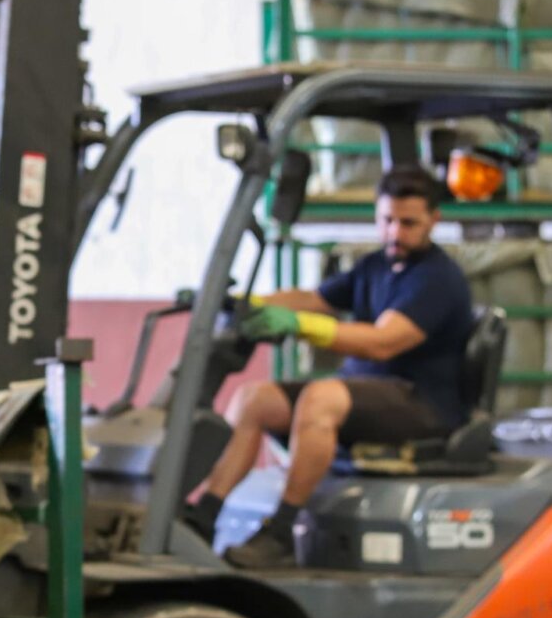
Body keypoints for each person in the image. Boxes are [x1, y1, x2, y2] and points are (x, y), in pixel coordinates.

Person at [181, 163, 474, 569]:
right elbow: (314, 299)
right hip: (368, 395)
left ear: (433, 220)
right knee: (255, 399)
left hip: (421, 403)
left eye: (408, 223)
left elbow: (384, 343)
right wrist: (246, 304)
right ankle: (204, 515)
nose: (395, 233)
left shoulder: (437, 279)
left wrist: (300, 326)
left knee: (320, 398)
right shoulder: (376, 265)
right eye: (387, 220)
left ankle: (281, 532)